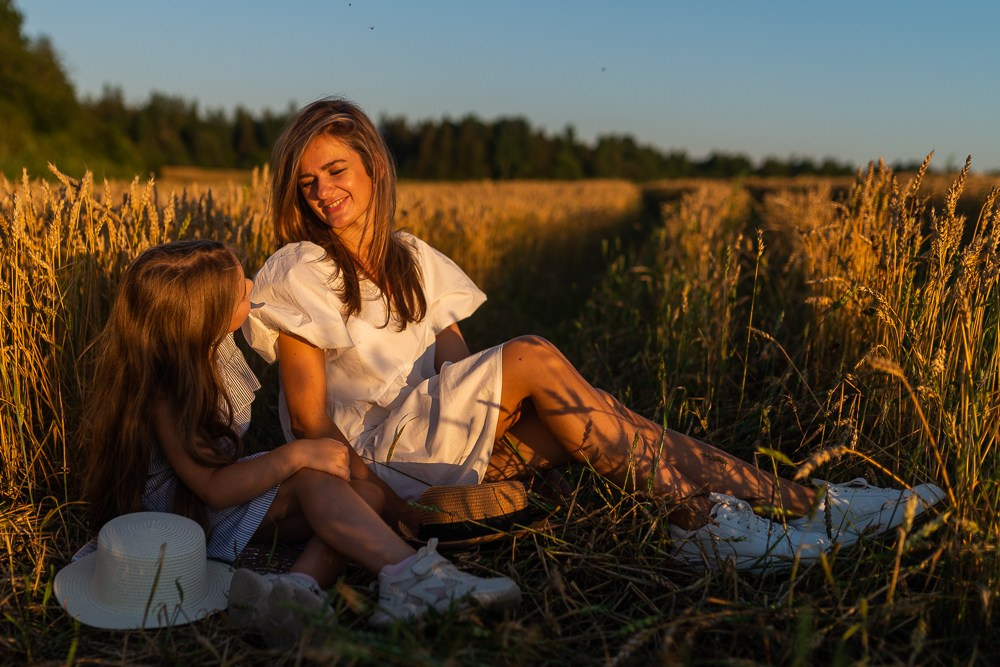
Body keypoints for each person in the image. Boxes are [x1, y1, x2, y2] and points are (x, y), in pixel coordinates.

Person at [243, 97, 944, 572]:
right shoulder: (299, 269)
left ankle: (812, 503)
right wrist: (389, 506)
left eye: (335, 170)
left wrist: (515, 419)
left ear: (372, 166)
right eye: (305, 182)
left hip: (440, 450)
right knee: (534, 357)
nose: (322, 191)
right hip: (375, 460)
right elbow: (311, 426)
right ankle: (706, 526)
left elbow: (460, 370)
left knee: (600, 411)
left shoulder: (412, 256)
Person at [79, 240, 521, 647]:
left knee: (362, 494)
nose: (252, 287)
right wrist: (294, 455)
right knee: (313, 476)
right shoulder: (167, 395)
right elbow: (212, 487)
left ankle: (295, 590)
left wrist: (293, 461)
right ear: (205, 316)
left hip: (220, 499)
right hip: (184, 518)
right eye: (239, 291)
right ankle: (416, 576)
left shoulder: (208, 355)